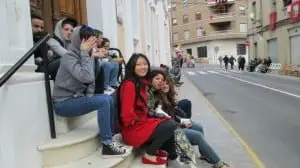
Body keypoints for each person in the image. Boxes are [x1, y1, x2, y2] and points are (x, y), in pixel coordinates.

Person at [52, 25, 126, 156]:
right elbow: (87, 77)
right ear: (78, 41)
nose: (91, 44)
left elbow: (92, 79)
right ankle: (107, 144)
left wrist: (93, 57)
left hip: (77, 98)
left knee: (109, 98)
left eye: (91, 40)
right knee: (103, 101)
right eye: (86, 41)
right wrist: (86, 54)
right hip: (63, 103)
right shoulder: (69, 57)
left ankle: (111, 136)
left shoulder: (85, 54)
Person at [156, 76, 231, 168]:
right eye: (162, 84)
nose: (165, 86)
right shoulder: (159, 100)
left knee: (198, 127)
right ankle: (219, 164)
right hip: (170, 130)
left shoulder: (167, 96)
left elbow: (173, 116)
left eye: (167, 83)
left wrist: (182, 121)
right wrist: (181, 123)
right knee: (197, 135)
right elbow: (165, 121)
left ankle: (205, 154)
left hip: (173, 124)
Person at [118, 53, 178, 165]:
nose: (143, 67)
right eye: (138, 64)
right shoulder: (130, 84)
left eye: (145, 64)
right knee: (170, 124)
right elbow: (127, 115)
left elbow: (143, 108)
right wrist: (146, 120)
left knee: (167, 122)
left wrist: (152, 115)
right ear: (132, 67)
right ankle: (149, 155)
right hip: (132, 130)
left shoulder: (140, 83)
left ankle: (171, 154)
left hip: (141, 123)